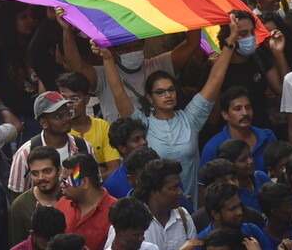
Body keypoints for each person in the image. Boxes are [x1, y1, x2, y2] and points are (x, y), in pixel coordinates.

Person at [102, 14, 243, 206]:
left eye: (171, 90)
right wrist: (108, 58)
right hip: (156, 209)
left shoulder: (190, 119)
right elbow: (118, 93)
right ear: (150, 98)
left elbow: (215, 79)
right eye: (160, 92)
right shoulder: (143, 125)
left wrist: (231, 40)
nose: (167, 95)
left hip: (190, 207)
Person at [7, 91, 95, 194]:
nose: (67, 119)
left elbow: (94, 186)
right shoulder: (25, 153)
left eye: (68, 113)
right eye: (59, 116)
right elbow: (18, 197)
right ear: (44, 123)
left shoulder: (83, 147)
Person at [200, 88, 277, 173]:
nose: (245, 113)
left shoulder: (267, 137)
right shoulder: (213, 147)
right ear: (225, 115)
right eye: (237, 109)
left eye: (248, 107)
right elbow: (204, 184)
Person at [55, 154, 116, 250]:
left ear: (85, 182)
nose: (61, 185)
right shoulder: (62, 204)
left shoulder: (116, 211)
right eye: (61, 180)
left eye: (66, 181)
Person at [9, 146, 62, 245]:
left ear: (59, 170)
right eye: (35, 173)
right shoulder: (19, 206)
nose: (41, 178)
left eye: (47, 171)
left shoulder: (71, 198)